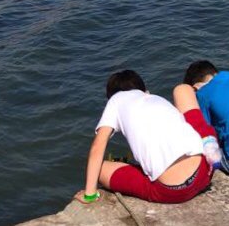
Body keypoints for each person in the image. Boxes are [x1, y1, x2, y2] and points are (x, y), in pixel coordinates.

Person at [75, 69, 216, 206]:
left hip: (172, 192)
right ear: (145, 91)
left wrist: (90, 194)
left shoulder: (115, 100)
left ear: (110, 97)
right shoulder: (154, 98)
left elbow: (98, 146)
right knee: (183, 91)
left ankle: (94, 192)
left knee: (100, 170)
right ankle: (212, 148)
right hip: (205, 170)